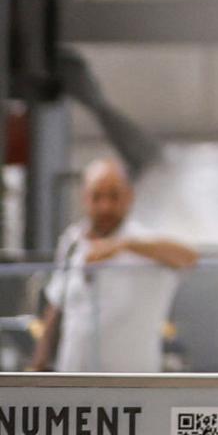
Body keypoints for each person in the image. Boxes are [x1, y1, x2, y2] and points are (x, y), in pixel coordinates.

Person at [35, 158, 196, 374]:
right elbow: (56, 306)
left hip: (132, 386)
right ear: (85, 198)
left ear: (129, 197)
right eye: (97, 196)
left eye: (114, 196)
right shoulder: (72, 241)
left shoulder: (146, 241)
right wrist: (39, 364)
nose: (105, 206)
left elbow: (189, 257)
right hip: (74, 382)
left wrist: (123, 245)